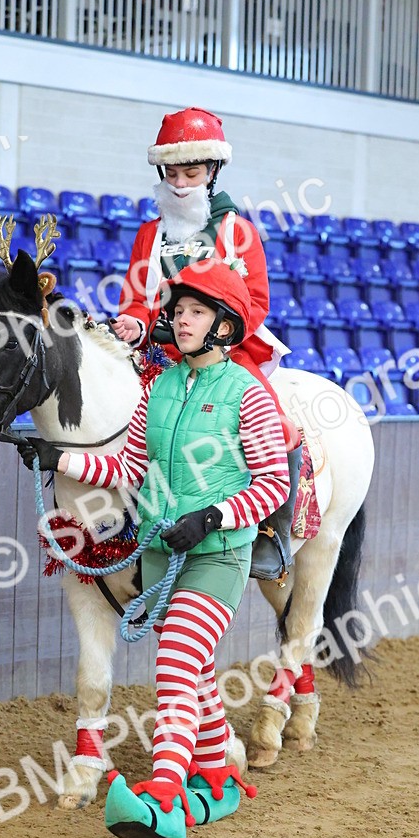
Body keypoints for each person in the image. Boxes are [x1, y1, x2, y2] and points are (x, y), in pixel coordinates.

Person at [17, 261, 290, 838]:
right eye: (179, 310)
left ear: (223, 325)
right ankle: (218, 771)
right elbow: (126, 468)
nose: (180, 320)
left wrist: (212, 517)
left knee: (174, 658)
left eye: (195, 311)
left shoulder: (249, 394)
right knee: (194, 675)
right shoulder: (159, 388)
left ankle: (164, 791)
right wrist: (58, 459)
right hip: (166, 556)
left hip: (219, 556)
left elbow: (273, 484)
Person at [110, 107, 303, 574]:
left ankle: (270, 532)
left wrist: (219, 334)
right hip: (156, 354)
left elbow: (256, 302)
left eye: (190, 172)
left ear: (212, 171)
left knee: (276, 424)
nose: (179, 183)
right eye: (171, 172)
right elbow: (134, 300)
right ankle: (125, 522)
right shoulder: (147, 236)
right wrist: (136, 323)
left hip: (225, 354)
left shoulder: (239, 233)